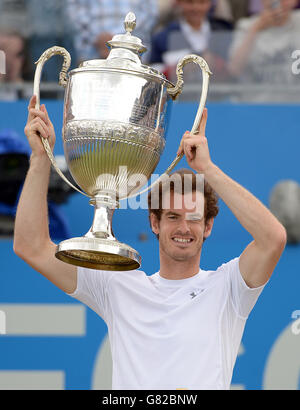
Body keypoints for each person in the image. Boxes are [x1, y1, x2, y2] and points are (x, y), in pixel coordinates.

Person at [14, 95, 287, 389]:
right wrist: (41, 157)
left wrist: (208, 169)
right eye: (172, 216)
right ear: (155, 223)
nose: (184, 227)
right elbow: (31, 246)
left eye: (194, 218)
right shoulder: (117, 287)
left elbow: (273, 239)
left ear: (208, 226)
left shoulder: (229, 288)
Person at [228, 0, 300, 101]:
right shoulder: (246, 26)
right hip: (257, 106)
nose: (278, 2)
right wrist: (256, 29)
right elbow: (234, 69)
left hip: (294, 107)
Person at [150, 0, 233, 83]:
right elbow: (154, 72)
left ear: (210, 3)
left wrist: (216, 63)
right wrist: (179, 69)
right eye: (189, 2)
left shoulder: (223, 31)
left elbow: (234, 69)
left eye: (202, 2)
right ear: (179, 3)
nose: (196, 8)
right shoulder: (164, 37)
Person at [65, 0, 159, 63]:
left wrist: (115, 39)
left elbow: (150, 13)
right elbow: (74, 11)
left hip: (133, 55)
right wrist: (98, 38)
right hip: (91, 54)